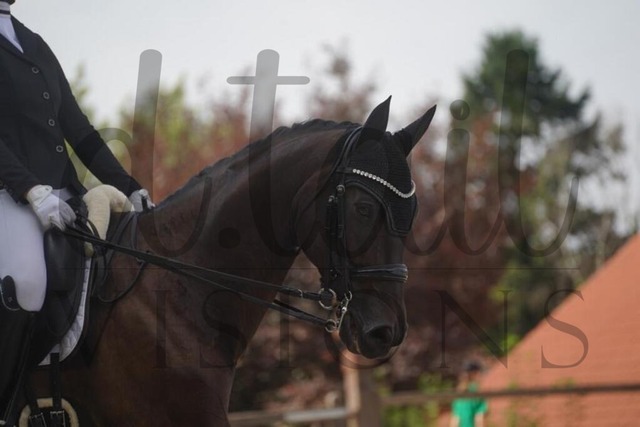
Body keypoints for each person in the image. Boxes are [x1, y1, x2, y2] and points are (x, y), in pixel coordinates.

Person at [0, 0, 152, 416]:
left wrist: (130, 187)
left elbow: (78, 129)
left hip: (64, 193)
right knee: (27, 285)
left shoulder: (33, 42)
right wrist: (30, 190)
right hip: (10, 195)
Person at [449, 361, 488, 427]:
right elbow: (479, 419)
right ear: (476, 373)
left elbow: (455, 421)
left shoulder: (459, 394)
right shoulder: (477, 393)